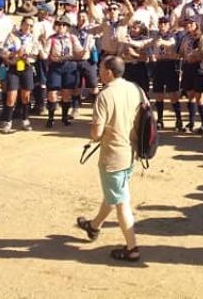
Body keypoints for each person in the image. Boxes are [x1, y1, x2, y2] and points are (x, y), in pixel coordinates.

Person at [75, 56, 146, 262]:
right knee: (114, 193)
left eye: (100, 68)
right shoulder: (136, 89)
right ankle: (94, 225)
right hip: (131, 152)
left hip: (113, 155)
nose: (98, 71)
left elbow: (96, 133)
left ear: (108, 72)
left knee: (122, 201)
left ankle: (132, 248)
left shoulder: (105, 96)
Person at [45, 18, 83, 128]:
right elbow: (46, 53)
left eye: (63, 25)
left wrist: (83, 52)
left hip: (69, 65)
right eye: (58, 24)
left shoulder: (72, 38)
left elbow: (79, 51)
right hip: (55, 66)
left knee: (66, 94)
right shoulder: (51, 39)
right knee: (52, 93)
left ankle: (64, 117)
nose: (61, 27)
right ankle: (50, 117)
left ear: (67, 27)